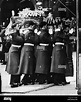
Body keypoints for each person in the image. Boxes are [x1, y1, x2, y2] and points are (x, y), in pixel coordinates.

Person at [50, 19, 70, 85]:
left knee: (62, 65)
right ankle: (57, 80)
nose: (62, 26)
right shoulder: (57, 32)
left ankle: (62, 79)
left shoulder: (59, 32)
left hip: (60, 49)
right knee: (58, 65)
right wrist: (69, 33)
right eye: (61, 25)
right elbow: (64, 37)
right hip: (59, 49)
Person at [5, 19, 24, 88]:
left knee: (18, 65)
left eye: (20, 26)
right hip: (14, 50)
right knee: (14, 66)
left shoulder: (17, 33)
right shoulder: (13, 34)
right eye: (18, 26)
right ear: (15, 26)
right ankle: (13, 82)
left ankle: (17, 81)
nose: (19, 27)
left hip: (17, 50)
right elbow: (20, 40)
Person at [18, 21, 36, 85]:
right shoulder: (29, 32)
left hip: (27, 48)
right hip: (28, 48)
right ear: (31, 26)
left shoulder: (25, 32)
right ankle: (25, 79)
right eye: (33, 26)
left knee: (28, 64)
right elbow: (34, 40)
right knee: (28, 64)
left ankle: (27, 79)